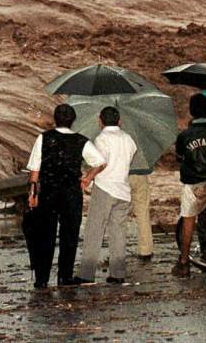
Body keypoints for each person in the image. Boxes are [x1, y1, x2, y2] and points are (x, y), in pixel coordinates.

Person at [26, 104, 106, 288]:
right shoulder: (81, 141)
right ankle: (65, 277)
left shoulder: (44, 138)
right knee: (69, 236)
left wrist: (32, 193)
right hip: (71, 193)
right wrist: (87, 178)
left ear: (55, 119)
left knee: (45, 235)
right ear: (73, 121)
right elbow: (100, 162)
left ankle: (42, 279)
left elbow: (35, 168)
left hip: (48, 192)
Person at [77, 106, 138, 284]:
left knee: (94, 231)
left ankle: (86, 274)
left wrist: (88, 177)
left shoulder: (101, 138)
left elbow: (100, 163)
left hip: (105, 188)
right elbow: (130, 155)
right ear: (119, 121)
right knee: (118, 232)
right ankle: (118, 273)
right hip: (123, 191)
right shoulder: (128, 139)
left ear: (100, 121)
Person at [172, 93, 206, 279]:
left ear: (191, 112)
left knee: (188, 220)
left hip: (194, 182)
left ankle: (184, 262)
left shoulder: (184, 136)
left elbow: (179, 158)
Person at [129, 169, 154, 263]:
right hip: (140, 175)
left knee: (118, 216)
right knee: (142, 213)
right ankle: (146, 251)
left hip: (119, 175)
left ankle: (117, 250)